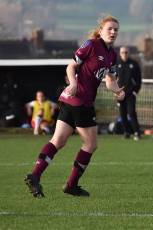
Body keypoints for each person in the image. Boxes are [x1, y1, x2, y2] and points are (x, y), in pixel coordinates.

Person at [24, 15, 124, 198]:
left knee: (58, 141)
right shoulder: (91, 44)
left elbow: (109, 81)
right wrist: (73, 83)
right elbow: (71, 66)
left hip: (71, 101)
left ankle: (35, 175)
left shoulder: (112, 54)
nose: (113, 32)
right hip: (80, 101)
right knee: (91, 144)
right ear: (100, 30)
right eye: (109, 28)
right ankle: (71, 184)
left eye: (116, 29)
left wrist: (117, 91)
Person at [117, 46, 143, 140]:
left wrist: (135, 91)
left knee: (131, 112)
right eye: (122, 52)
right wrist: (115, 91)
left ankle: (137, 132)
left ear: (129, 53)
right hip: (119, 94)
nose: (124, 54)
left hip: (130, 94)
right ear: (120, 53)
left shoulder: (134, 64)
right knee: (122, 113)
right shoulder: (117, 64)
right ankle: (127, 132)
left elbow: (138, 80)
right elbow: (113, 79)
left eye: (126, 52)